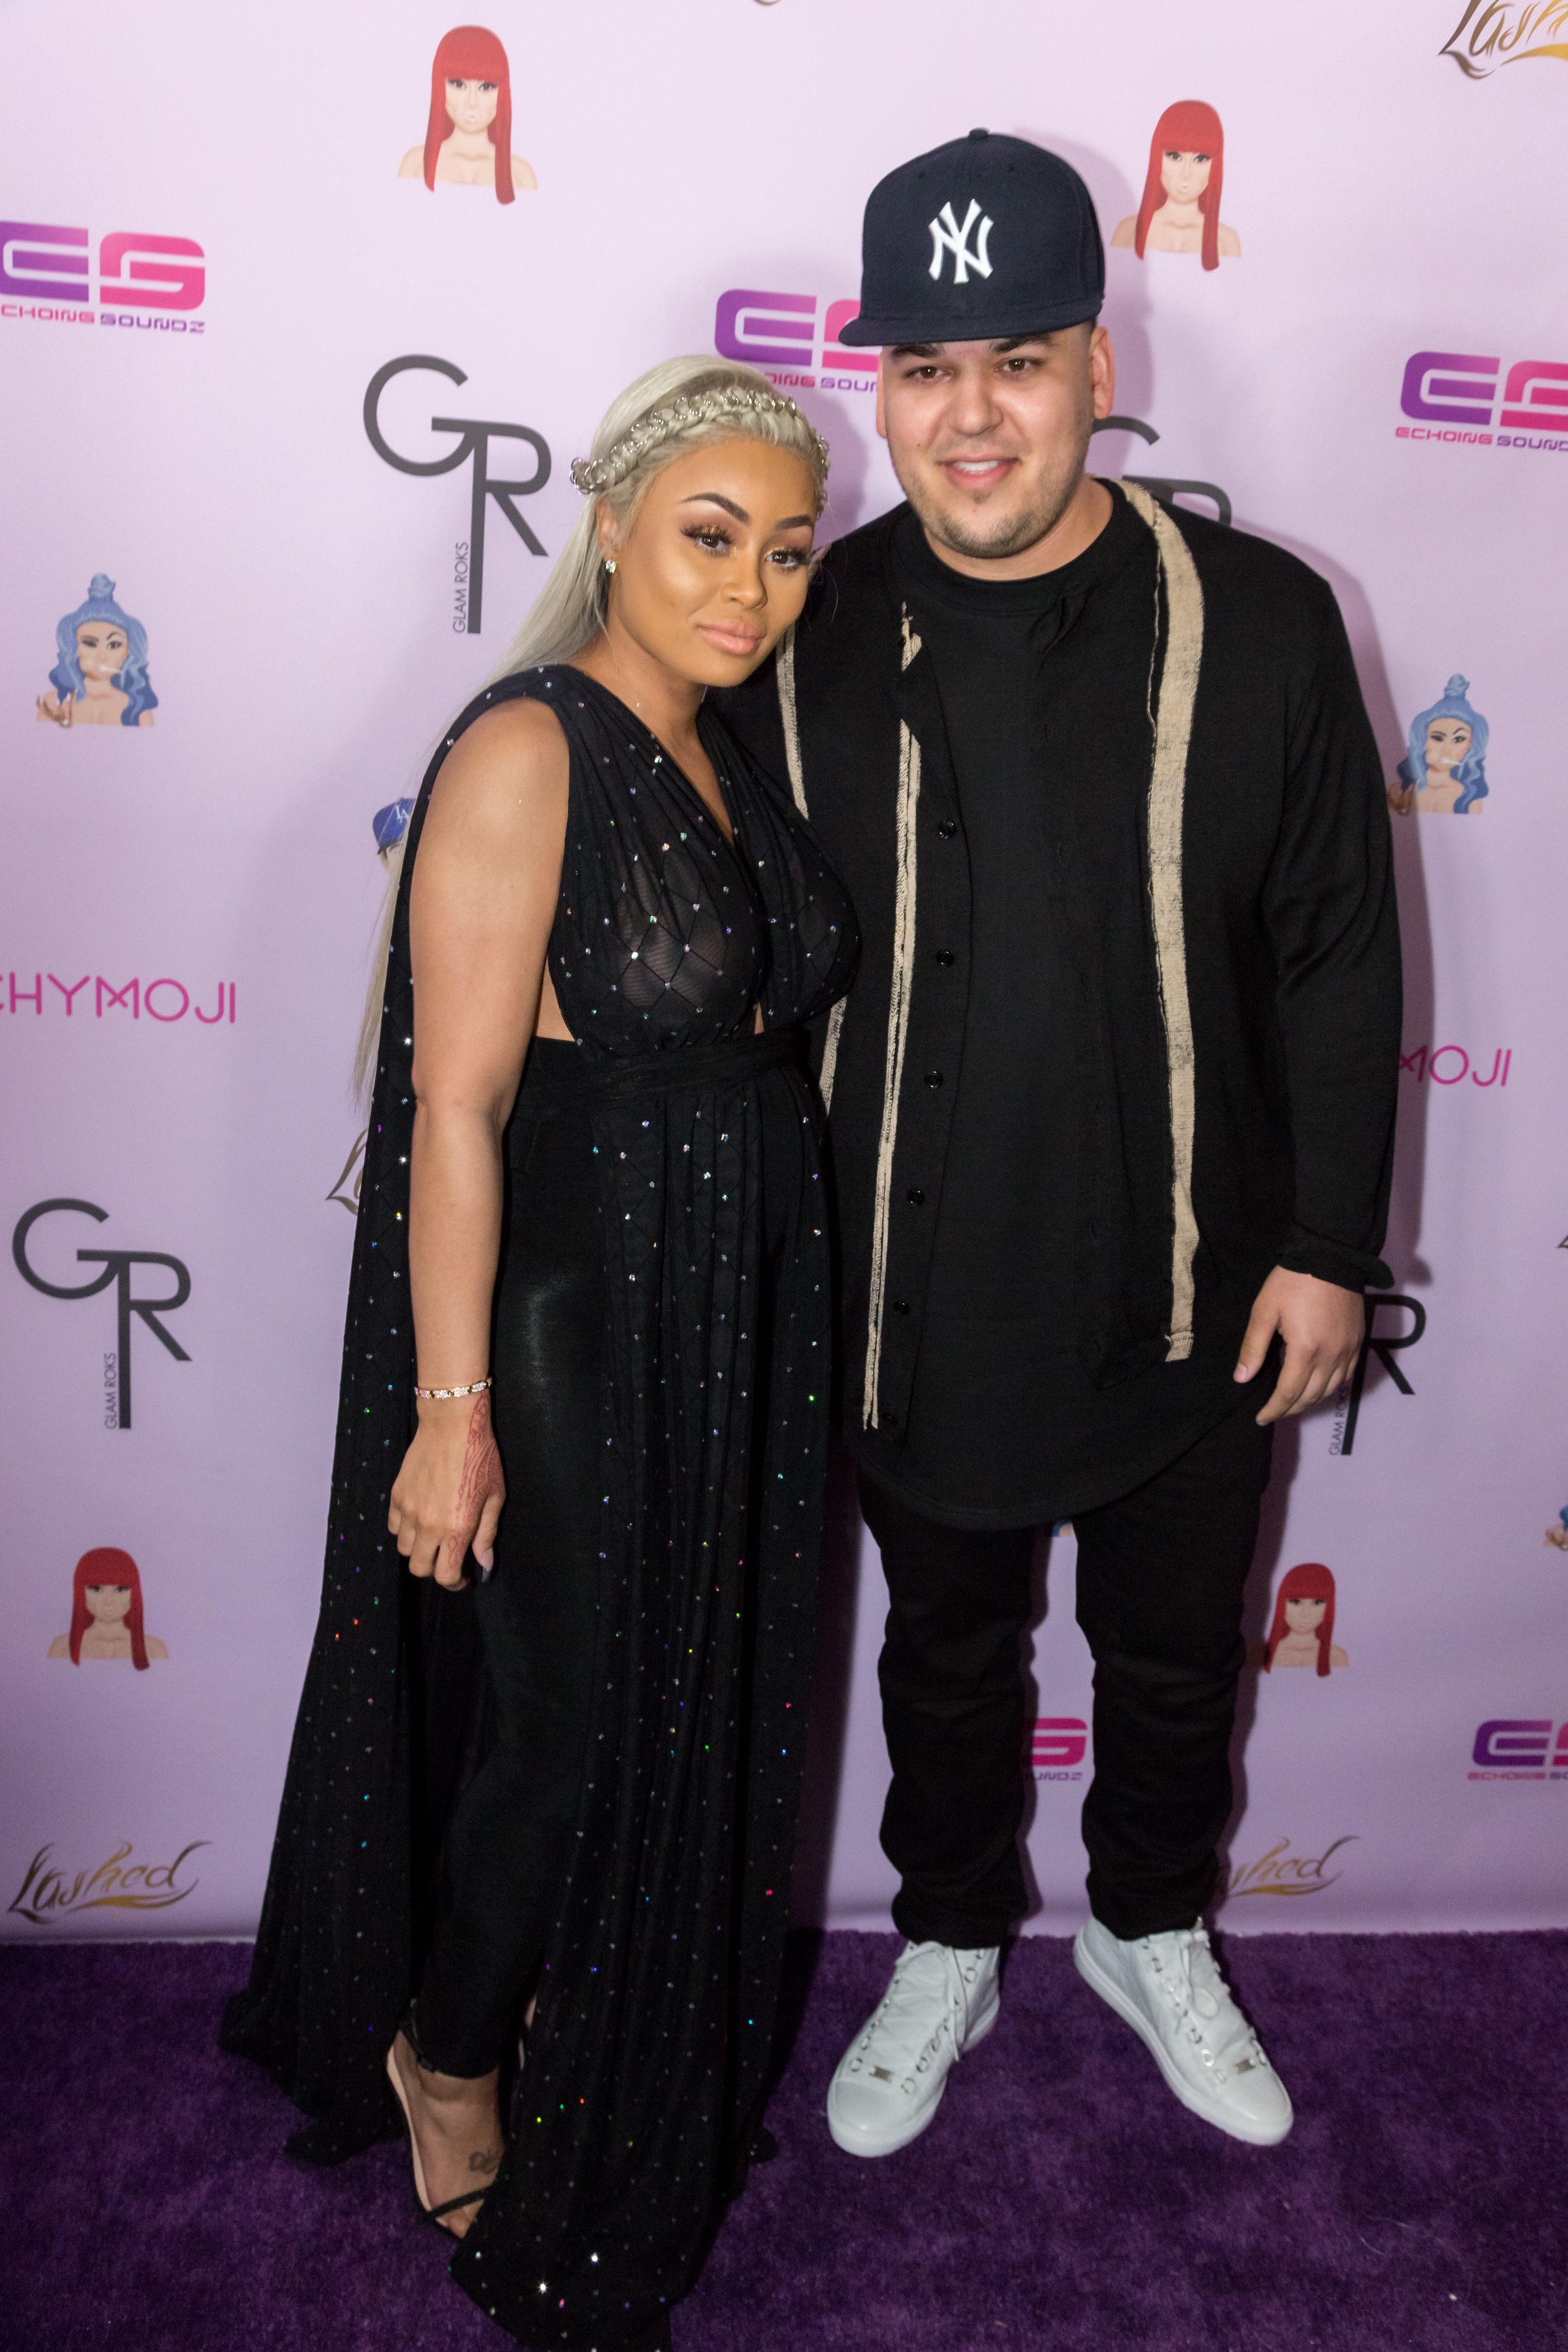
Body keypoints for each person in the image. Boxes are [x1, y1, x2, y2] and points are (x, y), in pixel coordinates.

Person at [720, 129, 1399, 2160]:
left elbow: (1341, 960)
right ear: (876, 389)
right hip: (902, 1292)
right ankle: (948, 1935)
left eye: (1016, 358)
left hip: (1193, 1280)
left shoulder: (1269, 621)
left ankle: (1149, 1923)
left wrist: (1330, 1244)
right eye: (925, 369)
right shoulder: (801, 630)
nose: (971, 414)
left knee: (1180, 1660)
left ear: (1101, 363)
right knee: (947, 1653)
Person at [222, 358, 856, 2351]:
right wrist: (452, 1414)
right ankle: (449, 2048)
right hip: (578, 1313)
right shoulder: (527, 748)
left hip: (736, 1296)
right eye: (708, 535)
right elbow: (461, 1109)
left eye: (785, 550)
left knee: (695, 1685)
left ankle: (621, 2024)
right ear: (609, 522)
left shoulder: (726, 751)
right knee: (567, 1719)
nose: (749, 586)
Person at [399, 26, 536, 199]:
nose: (472, 102)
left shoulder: (520, 175)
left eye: (486, 87)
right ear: (439, 85)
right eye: (458, 85)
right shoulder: (416, 164)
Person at [1111, 100, 1239, 266]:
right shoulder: (1128, 232)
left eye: (1201, 159)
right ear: (1157, 157)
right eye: (1174, 157)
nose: (1186, 173)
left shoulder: (1226, 241)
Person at [36, 574, 158, 728]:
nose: (102, 656)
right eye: (90, 643)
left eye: (114, 645)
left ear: (128, 651)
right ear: (74, 647)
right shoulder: (54, 704)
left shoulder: (138, 713)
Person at [1387, 674, 1489, 814]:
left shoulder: (1468, 800)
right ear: (1423, 740)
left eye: (1459, 739)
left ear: (1470, 746)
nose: (1446, 749)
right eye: (1437, 738)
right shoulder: (1402, 791)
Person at [47, 1548, 167, 1665]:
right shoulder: (62, 1647)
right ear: (80, 1593)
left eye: (120, 1589)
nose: (109, 1601)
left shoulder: (154, 1649)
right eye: (97, 1589)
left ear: (135, 1594)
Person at [1253, 1562, 1348, 1673]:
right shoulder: (1257, 1655)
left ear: (1328, 1608)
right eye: (1296, 1602)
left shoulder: (1337, 1657)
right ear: (1282, 1603)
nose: (1306, 1613)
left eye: (1317, 1603)